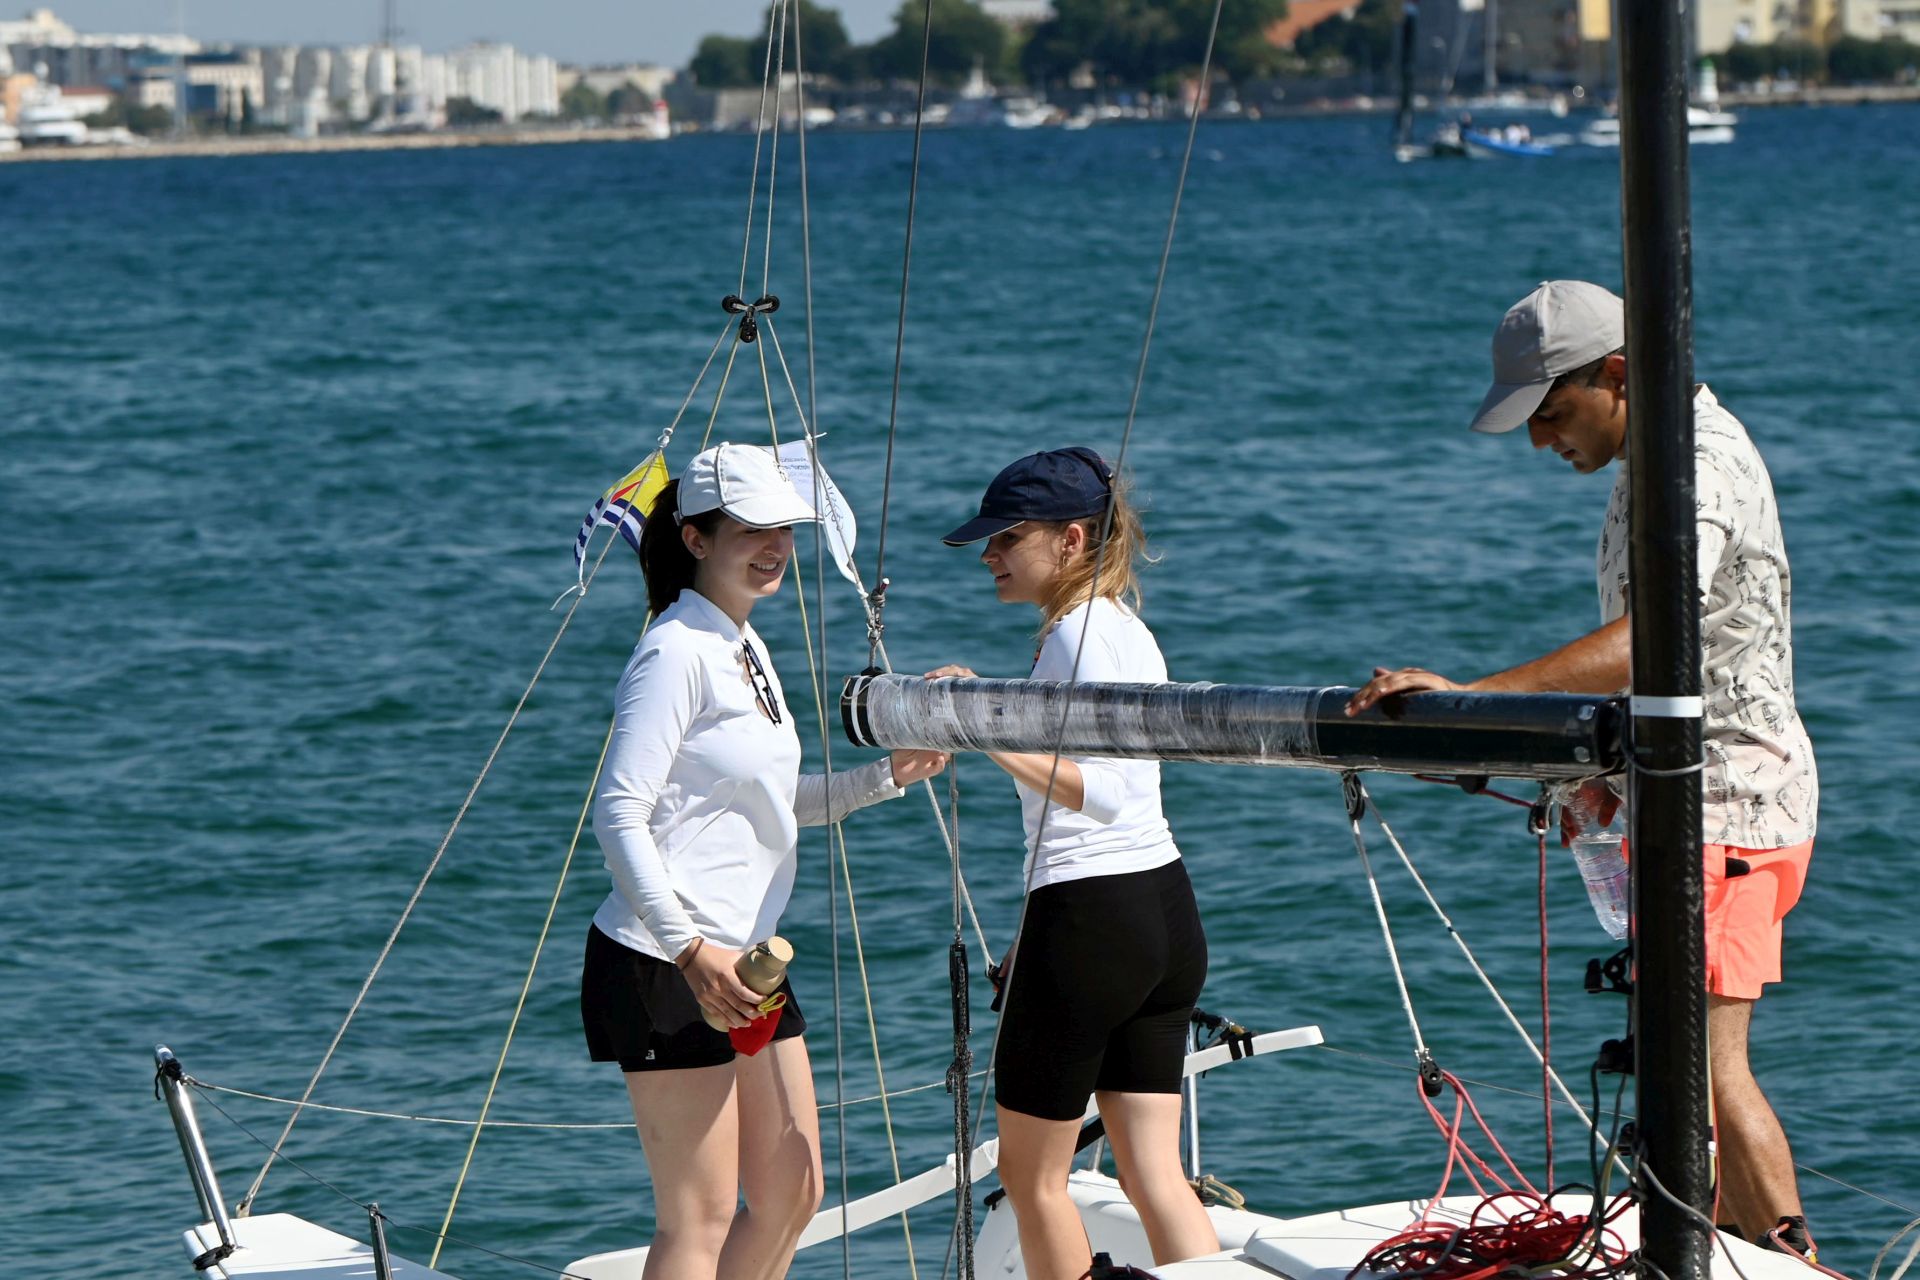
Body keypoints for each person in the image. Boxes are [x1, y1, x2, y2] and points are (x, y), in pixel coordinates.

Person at [1345, 280, 1819, 1257]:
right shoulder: (1654, 454)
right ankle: (1738, 1258)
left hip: (1730, 798)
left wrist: (1477, 699)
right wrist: (1598, 765)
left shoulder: (1697, 461)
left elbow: (1659, 637)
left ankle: (1797, 1263)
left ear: (1618, 374)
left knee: (1704, 1069)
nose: (1537, 441)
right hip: (1687, 789)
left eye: (1552, 414)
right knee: (1679, 1065)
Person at [582, 442, 947, 1280]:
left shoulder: (745, 645)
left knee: (793, 1190)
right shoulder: (674, 650)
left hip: (748, 963)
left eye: (783, 527)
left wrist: (883, 777)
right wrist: (687, 947)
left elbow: (766, 805)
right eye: (750, 527)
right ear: (697, 538)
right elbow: (618, 812)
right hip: (665, 959)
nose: (774, 544)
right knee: (698, 1218)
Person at [928, 447, 1219, 1280]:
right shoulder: (1124, 627)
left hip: (1093, 918)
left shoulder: (1076, 639)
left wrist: (979, 721)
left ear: (1071, 540)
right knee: (1153, 1173)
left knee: (1030, 1174)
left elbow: (1106, 793)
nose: (989, 555)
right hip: (1161, 914)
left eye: (1005, 537)